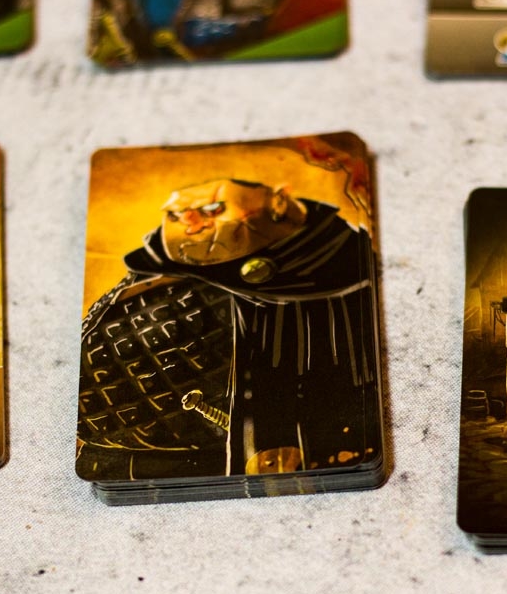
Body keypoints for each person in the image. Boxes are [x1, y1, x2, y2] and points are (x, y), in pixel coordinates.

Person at [77, 178, 380, 481]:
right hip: (109, 458)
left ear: (278, 202)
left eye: (212, 208)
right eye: (175, 214)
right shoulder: (155, 270)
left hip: (206, 468)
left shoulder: (328, 280)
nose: (190, 221)